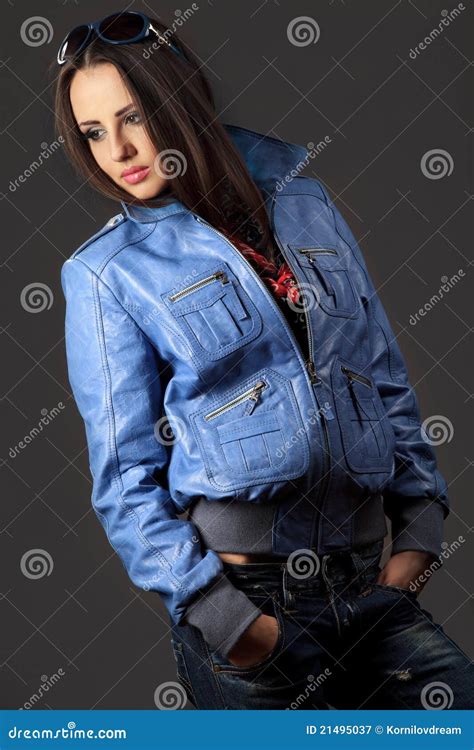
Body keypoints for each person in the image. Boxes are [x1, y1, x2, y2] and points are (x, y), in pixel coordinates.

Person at [54, 11, 474, 709]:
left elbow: (380, 370)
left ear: (181, 100)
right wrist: (233, 625)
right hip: (250, 602)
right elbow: (124, 478)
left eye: (134, 116)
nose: (118, 150)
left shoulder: (303, 196)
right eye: (93, 131)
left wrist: (420, 535)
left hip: (370, 586)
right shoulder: (108, 273)